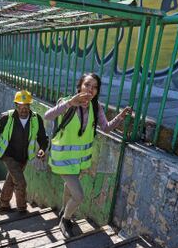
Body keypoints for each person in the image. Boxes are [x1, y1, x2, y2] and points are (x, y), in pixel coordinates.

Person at [44, 73, 132, 237]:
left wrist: (120, 117)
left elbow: (105, 127)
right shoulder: (67, 102)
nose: (90, 90)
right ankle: (65, 219)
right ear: (79, 87)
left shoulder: (96, 107)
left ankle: (64, 211)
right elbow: (48, 116)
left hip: (78, 161)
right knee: (79, 196)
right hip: (63, 159)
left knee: (70, 189)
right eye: (87, 85)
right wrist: (70, 103)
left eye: (94, 87)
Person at [0, 90, 49, 214]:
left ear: (30, 106)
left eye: (26, 106)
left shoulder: (36, 119)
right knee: (21, 182)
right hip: (7, 155)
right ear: (16, 105)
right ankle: (22, 208)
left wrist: (42, 150)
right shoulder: (7, 117)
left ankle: (3, 204)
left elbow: (43, 138)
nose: (23, 109)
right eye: (20, 106)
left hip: (23, 157)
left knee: (11, 180)